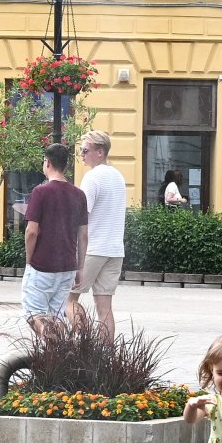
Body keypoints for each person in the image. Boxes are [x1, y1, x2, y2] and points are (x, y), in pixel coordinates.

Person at [20, 143, 88, 334]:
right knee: (56, 316)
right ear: (66, 165)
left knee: (34, 315)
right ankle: (62, 350)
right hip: (67, 267)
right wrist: (80, 267)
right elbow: (83, 235)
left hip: (42, 265)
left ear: (47, 162)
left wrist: (29, 261)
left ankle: (53, 346)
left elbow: (31, 231)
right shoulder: (79, 195)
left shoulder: (40, 192)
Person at [70, 130, 127, 334]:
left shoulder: (92, 177)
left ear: (100, 152)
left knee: (68, 299)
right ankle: (106, 353)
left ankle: (84, 344)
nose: (82, 154)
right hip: (114, 250)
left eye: (85, 150)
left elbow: (81, 216)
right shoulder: (118, 176)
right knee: (105, 309)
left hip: (93, 248)